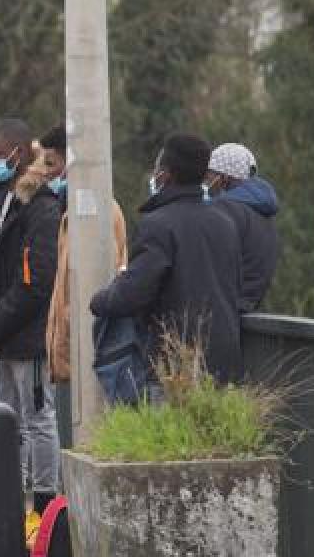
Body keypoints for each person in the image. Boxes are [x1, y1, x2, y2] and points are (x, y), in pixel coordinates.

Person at [91, 133, 243, 387]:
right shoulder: (225, 223)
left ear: (165, 174)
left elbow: (134, 292)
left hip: (174, 361)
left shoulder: (158, 224)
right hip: (223, 359)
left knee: (169, 425)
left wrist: (99, 300)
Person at [0, 119, 63, 516]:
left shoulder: (41, 207)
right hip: (1, 333)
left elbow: (34, 283)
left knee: (38, 418)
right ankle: (11, 498)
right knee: (6, 419)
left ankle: (44, 506)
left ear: (21, 153)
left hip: (28, 333)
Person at [38, 126, 128, 448]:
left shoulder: (98, 211)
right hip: (73, 338)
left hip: (90, 340)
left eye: (51, 163)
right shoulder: (68, 213)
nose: (46, 173)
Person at [206, 143, 279, 312]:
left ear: (224, 178)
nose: (206, 182)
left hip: (219, 311)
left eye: (209, 176)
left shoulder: (224, 211)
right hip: (247, 308)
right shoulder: (264, 214)